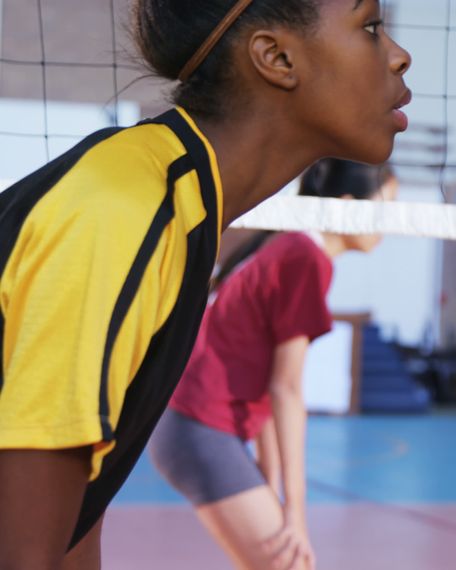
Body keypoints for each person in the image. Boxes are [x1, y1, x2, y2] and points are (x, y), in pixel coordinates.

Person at [0, 2, 411, 568]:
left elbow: (73, 524)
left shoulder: (183, 209)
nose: (399, 54)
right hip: (205, 429)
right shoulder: (124, 207)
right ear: (276, 57)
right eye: (369, 27)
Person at [149, 160, 396, 570]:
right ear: (349, 206)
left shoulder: (289, 243)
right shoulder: (305, 258)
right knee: (291, 564)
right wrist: (295, 512)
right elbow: (286, 389)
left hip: (190, 426)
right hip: (199, 428)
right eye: (385, 206)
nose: (393, 222)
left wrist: (271, 480)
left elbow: (264, 381)